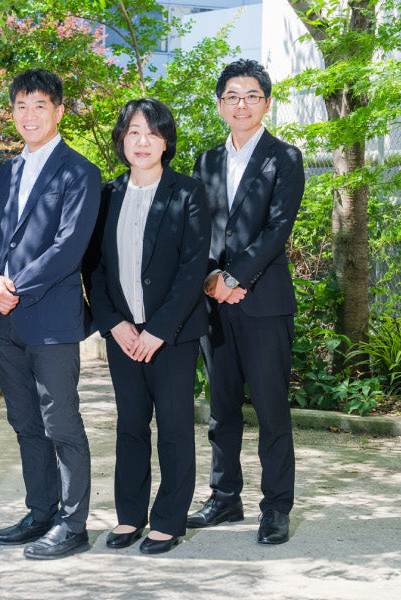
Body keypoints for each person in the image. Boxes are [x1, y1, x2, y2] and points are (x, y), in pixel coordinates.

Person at [0, 68, 102, 560]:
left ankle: (73, 525)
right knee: (25, 423)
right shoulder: (7, 171)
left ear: (59, 111)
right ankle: (40, 512)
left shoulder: (79, 172)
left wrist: (13, 287)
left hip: (51, 320)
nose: (29, 115)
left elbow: (68, 247)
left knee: (61, 424)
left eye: (40, 106)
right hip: (5, 319)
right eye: (21, 106)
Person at [186, 59, 305, 546]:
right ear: (220, 104)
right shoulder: (207, 161)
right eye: (232, 96)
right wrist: (212, 278)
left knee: (272, 409)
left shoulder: (285, 158)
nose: (242, 104)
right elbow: (197, 228)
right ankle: (224, 497)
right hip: (215, 303)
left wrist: (235, 277)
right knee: (221, 408)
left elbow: (278, 229)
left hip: (264, 302)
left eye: (252, 95)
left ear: (266, 103)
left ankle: (276, 506)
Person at [85, 99, 211, 556]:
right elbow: (93, 268)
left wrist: (158, 330)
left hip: (172, 335)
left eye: (153, 133)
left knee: (174, 426)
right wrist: (114, 324)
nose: (142, 142)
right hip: (123, 334)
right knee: (131, 425)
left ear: (165, 141)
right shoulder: (106, 194)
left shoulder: (188, 193)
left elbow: (193, 268)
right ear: (122, 139)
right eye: (134, 132)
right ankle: (129, 515)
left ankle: (168, 521)